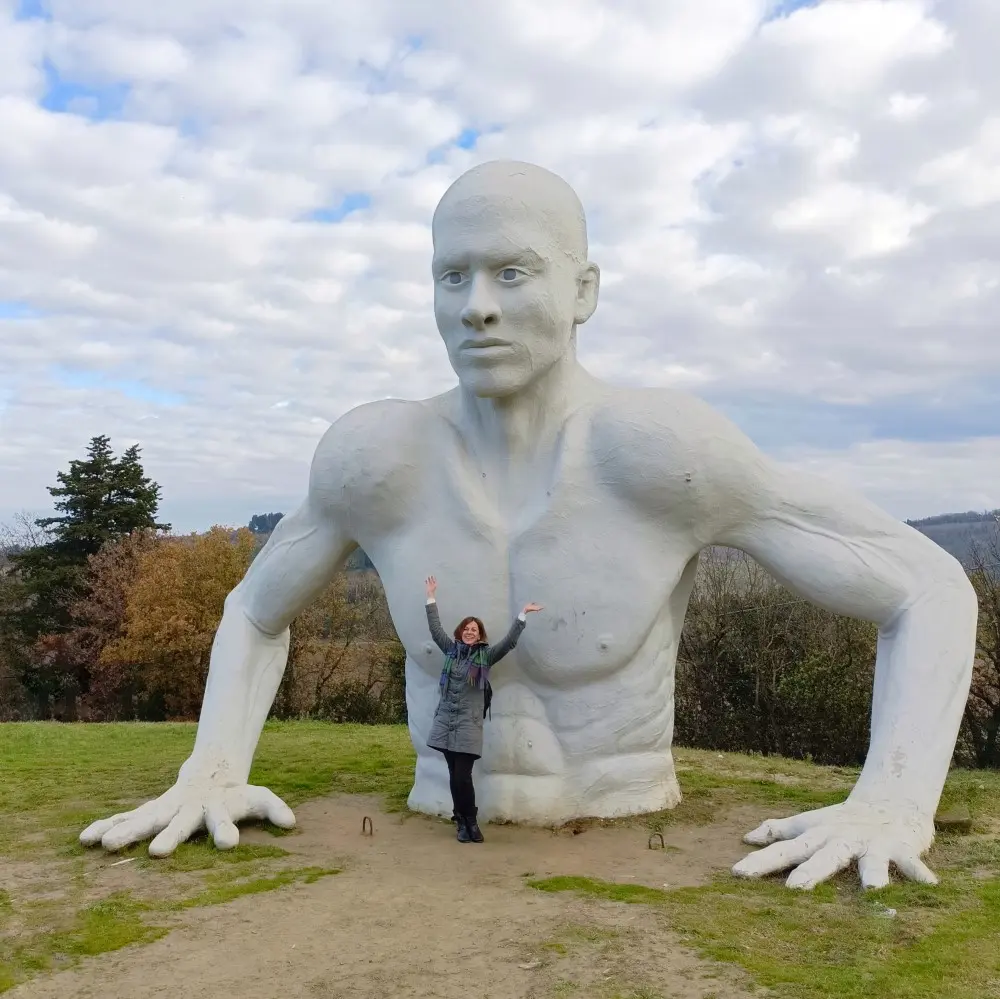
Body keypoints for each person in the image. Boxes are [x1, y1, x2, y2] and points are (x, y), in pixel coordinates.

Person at [80, 160, 977, 894]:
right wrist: (212, 768)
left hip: (627, 846)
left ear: (583, 290)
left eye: (512, 272)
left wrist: (895, 799)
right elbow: (253, 610)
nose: (477, 304)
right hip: (424, 864)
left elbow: (926, 586)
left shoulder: (659, 454)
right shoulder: (379, 458)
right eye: (452, 275)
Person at [423, 575, 542, 842]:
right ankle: (461, 823)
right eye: (466, 628)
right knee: (454, 776)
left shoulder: (485, 656)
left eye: (474, 629)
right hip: (444, 721)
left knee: (463, 776)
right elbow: (434, 629)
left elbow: (508, 644)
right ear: (460, 632)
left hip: (468, 723)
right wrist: (431, 597)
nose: (469, 631)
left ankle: (471, 820)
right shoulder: (450, 651)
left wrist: (522, 615)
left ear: (480, 635)